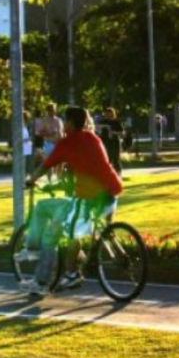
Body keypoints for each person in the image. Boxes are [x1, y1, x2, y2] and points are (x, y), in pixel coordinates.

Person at [22, 105, 124, 294]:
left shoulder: (66, 143)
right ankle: (118, 255)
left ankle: (72, 273)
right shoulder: (93, 137)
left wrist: (32, 180)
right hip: (112, 191)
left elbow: (46, 165)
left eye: (65, 119)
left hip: (90, 197)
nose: (63, 123)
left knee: (71, 234)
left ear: (70, 123)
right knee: (104, 230)